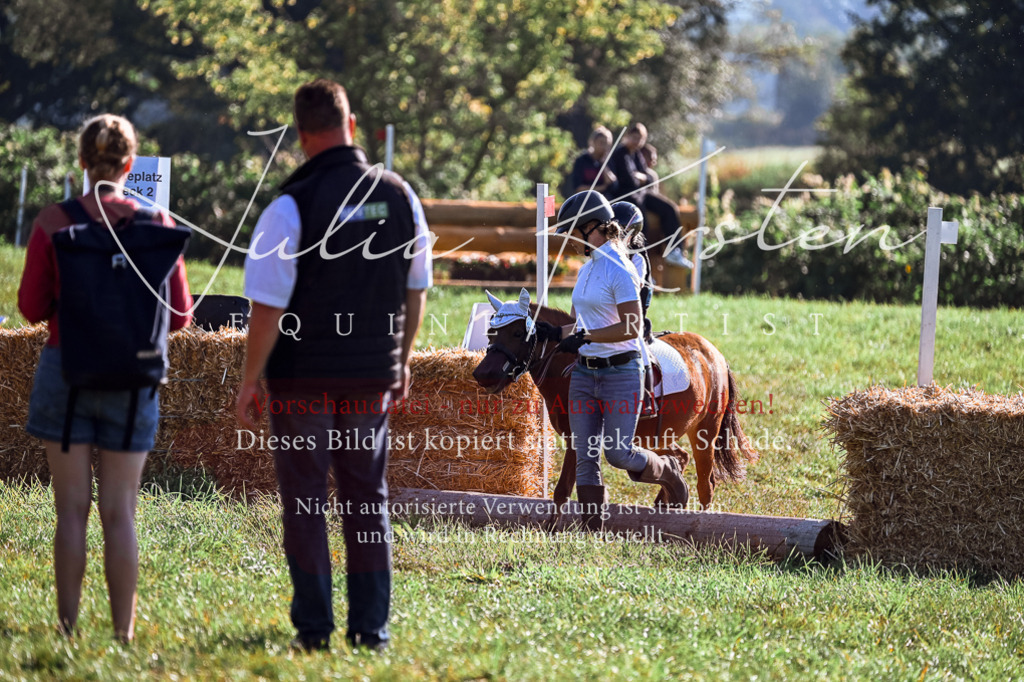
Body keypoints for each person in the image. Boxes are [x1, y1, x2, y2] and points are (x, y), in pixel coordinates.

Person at [235, 78, 431, 652]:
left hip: (302, 382)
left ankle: (314, 631)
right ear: (352, 126)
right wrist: (402, 358)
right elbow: (416, 287)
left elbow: (267, 307)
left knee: (304, 501)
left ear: (300, 136)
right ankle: (371, 631)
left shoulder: (289, 205)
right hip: (371, 374)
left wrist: (249, 379)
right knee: (366, 496)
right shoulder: (399, 196)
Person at [18, 114, 193, 642]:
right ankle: (123, 635)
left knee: (70, 511)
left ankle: (68, 631)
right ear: (130, 163)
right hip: (133, 379)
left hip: (65, 374)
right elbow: (181, 314)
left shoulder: (54, 221)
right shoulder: (158, 224)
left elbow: (29, 308)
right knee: (121, 512)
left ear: (81, 163)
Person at [536, 190, 687, 531]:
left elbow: (632, 326)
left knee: (618, 454)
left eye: (571, 233)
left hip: (622, 371)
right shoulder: (588, 268)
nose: (570, 243)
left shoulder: (619, 267)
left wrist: (586, 338)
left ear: (591, 227)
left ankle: (669, 472)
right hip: (585, 375)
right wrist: (553, 334)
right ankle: (593, 530)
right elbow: (582, 325)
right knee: (586, 455)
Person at [608, 123, 689, 267]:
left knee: (669, 208)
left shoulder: (637, 153)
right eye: (634, 138)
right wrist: (641, 178)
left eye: (640, 139)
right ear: (626, 137)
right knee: (640, 220)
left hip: (642, 194)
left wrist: (641, 177)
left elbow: (649, 178)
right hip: (626, 195)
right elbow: (629, 181)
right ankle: (638, 263)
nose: (637, 142)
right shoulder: (620, 154)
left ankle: (674, 250)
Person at [566, 126, 618, 199]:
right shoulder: (581, 160)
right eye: (601, 143)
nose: (604, 146)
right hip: (585, 200)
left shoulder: (609, 160)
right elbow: (579, 188)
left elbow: (612, 185)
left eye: (607, 144)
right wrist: (601, 188)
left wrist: (603, 164)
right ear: (593, 142)